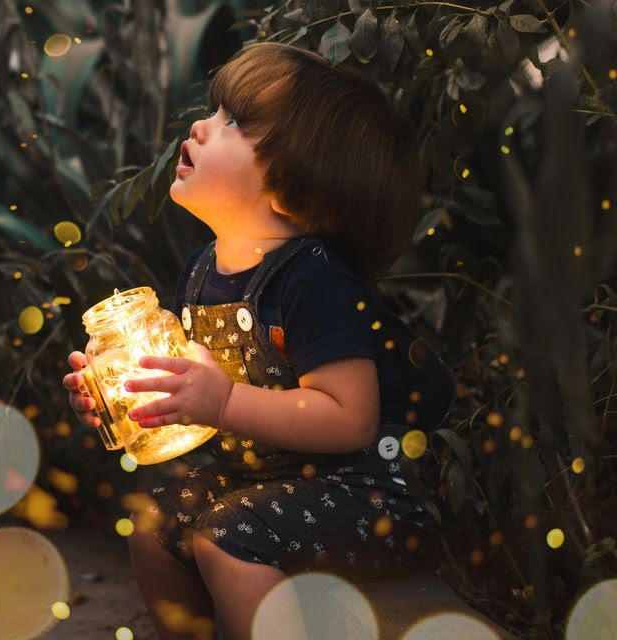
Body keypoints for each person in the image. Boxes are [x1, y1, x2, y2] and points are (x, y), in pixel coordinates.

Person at [63, 42, 455, 640]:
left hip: (367, 498)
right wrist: (127, 396)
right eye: (214, 111)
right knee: (152, 524)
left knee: (227, 539)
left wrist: (222, 403)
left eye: (233, 123)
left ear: (293, 191)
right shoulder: (201, 269)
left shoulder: (314, 282)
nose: (200, 125)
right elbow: (193, 381)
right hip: (263, 486)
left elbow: (350, 419)